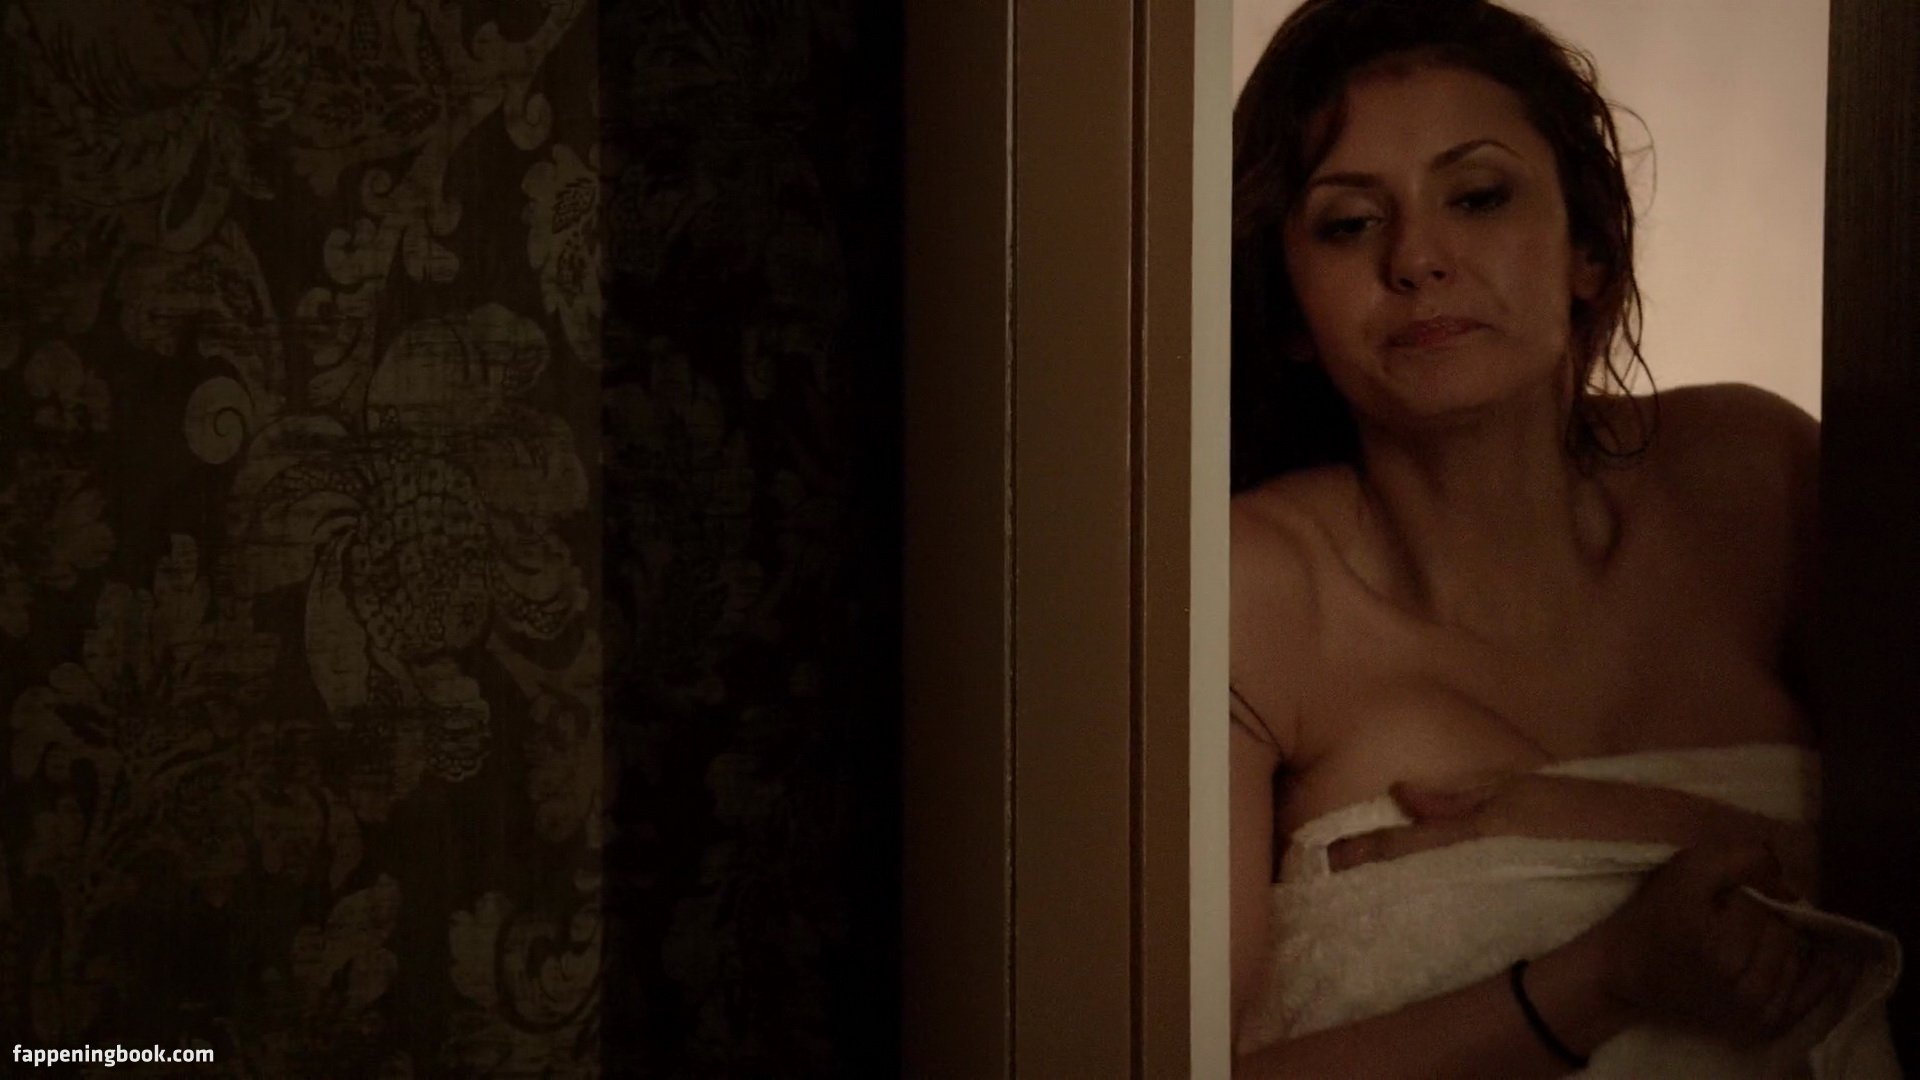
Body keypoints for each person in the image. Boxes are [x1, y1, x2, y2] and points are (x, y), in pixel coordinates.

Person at [1227, 0, 1899, 1075]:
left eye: (1477, 196)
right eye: (1349, 223)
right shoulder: (1247, 590)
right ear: (1288, 311)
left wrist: (1630, 820)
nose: (1417, 258)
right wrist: (1604, 977)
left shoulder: (1759, 478)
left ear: (1587, 248)